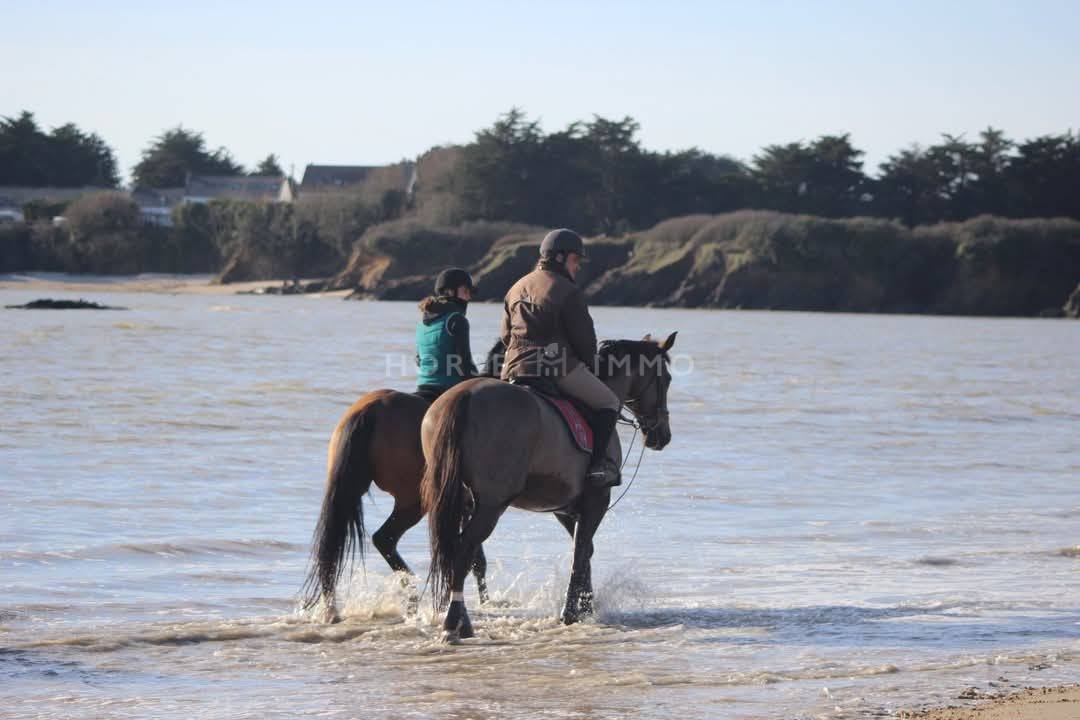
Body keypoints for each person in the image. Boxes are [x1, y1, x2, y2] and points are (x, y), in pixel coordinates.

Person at [500, 228, 621, 488]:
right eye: (576, 260)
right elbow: (585, 342)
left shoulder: (515, 287)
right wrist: (592, 366)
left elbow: (504, 336)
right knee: (609, 401)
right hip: (556, 367)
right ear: (560, 257)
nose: (577, 267)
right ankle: (597, 467)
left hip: (513, 368)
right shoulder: (567, 290)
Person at [415, 268, 478, 401]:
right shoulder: (457, 319)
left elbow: (418, 360)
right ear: (449, 291)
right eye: (465, 291)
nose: (469, 297)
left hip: (422, 387)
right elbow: (465, 364)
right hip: (447, 392)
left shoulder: (421, 322)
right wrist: (481, 382)